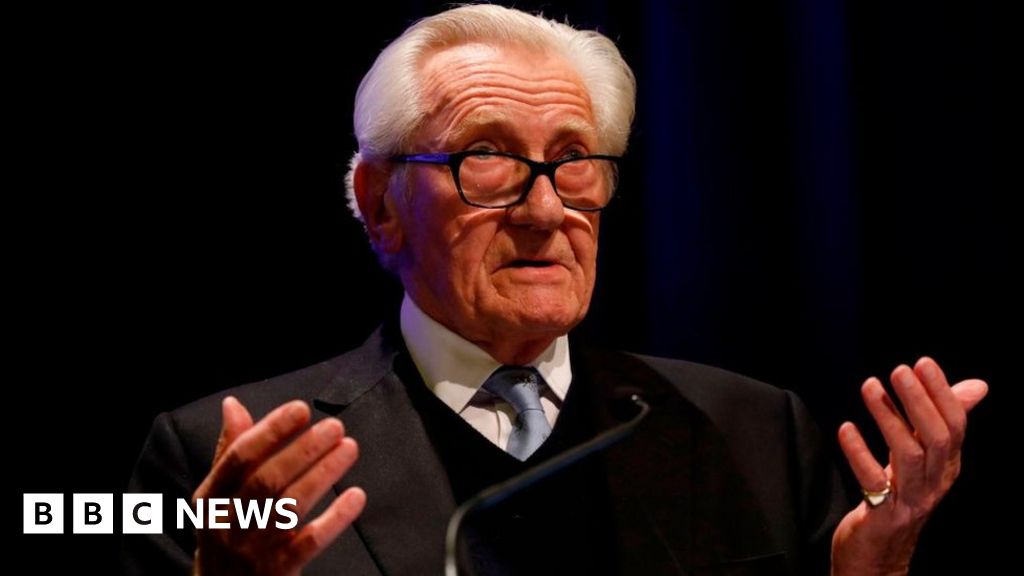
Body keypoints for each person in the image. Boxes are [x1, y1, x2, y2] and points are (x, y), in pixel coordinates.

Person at [122, 5, 988, 575]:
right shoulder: (217, 457)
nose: (545, 210)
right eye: (486, 158)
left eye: (574, 161)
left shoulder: (753, 433)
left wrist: (873, 571)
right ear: (380, 204)